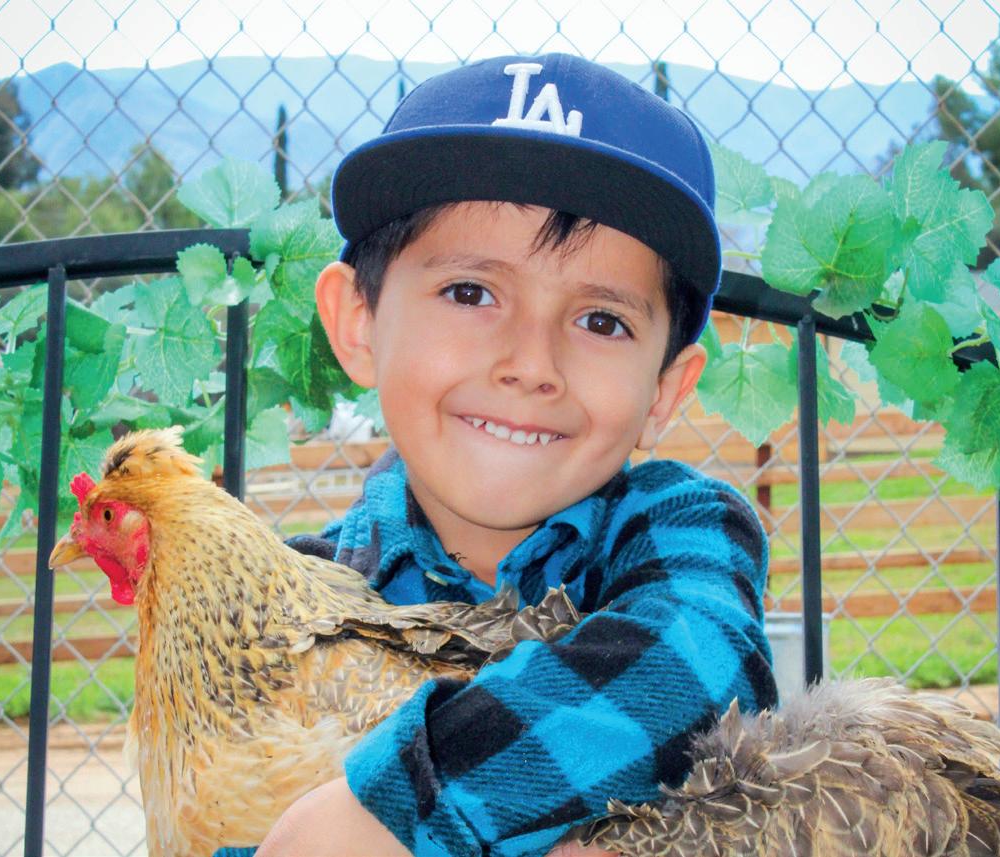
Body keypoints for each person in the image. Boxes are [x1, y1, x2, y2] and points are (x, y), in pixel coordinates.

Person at [257, 53, 778, 857]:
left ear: (664, 390)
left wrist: (384, 811)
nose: (531, 364)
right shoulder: (289, 601)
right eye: (470, 292)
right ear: (357, 322)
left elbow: (698, 668)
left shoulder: (675, 527)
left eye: (601, 321)